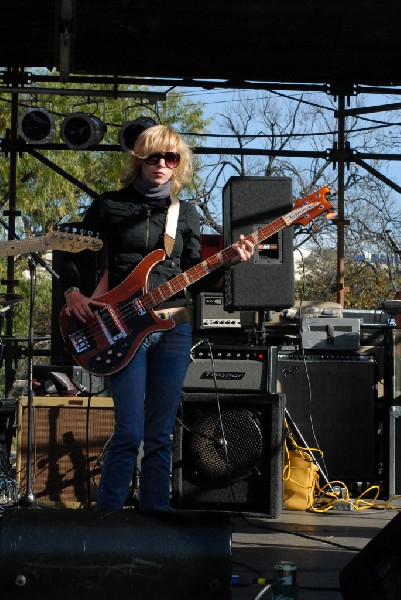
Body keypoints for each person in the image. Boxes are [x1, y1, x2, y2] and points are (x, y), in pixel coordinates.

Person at [60, 124, 254, 511]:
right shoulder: (109, 205)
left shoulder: (186, 213)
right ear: (139, 160)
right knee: (129, 433)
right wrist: (73, 291)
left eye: (171, 158)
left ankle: (155, 523)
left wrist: (228, 263)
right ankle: (108, 522)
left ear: (179, 164)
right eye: (154, 157)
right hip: (120, 326)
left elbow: (194, 277)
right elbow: (69, 250)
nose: (162, 164)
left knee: (160, 434)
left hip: (172, 328)